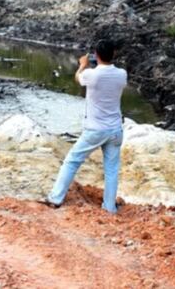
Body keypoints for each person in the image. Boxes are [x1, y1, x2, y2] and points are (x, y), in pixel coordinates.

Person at [42, 39, 127, 213]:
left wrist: (82, 65)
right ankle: (109, 207)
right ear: (114, 54)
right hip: (116, 129)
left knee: (72, 161)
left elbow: (78, 78)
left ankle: (56, 197)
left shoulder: (91, 74)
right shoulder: (122, 74)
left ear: (96, 54)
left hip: (95, 129)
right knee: (111, 170)